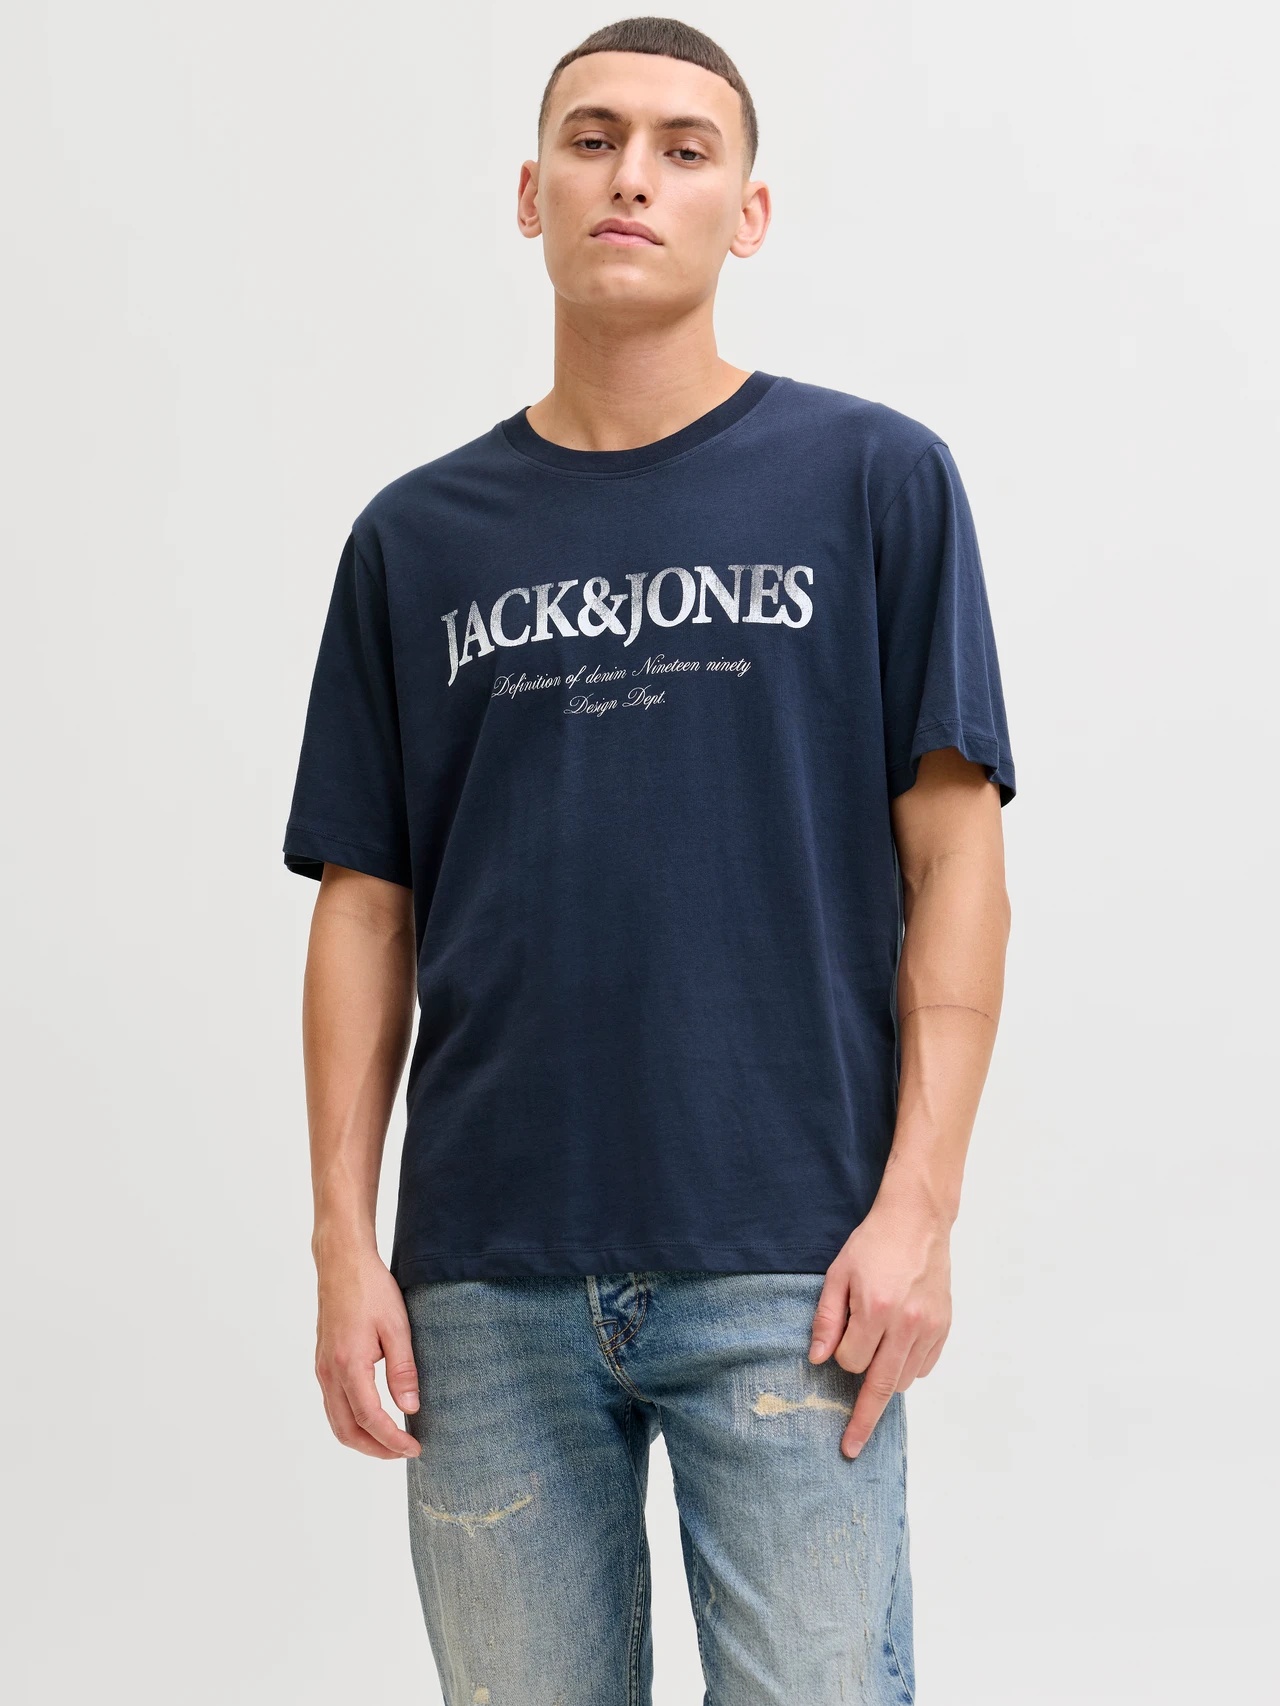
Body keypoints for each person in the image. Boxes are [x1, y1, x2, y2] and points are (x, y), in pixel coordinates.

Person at [281, 15, 1015, 1703]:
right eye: (593, 138)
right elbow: (366, 905)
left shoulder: (874, 482)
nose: (633, 177)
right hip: (483, 1276)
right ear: (527, 192)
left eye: (686, 149)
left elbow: (957, 857)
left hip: (792, 1257)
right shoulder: (414, 539)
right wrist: (342, 1241)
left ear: (746, 213)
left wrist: (921, 1204)